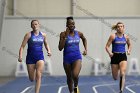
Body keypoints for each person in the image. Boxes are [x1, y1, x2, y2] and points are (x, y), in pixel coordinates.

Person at [18, 20, 51, 93]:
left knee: (38, 75)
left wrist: (49, 50)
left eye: (36, 24)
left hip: (40, 57)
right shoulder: (28, 35)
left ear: (39, 25)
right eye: (33, 25)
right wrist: (20, 56)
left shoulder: (43, 35)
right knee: (32, 78)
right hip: (30, 58)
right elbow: (22, 46)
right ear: (31, 26)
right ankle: (34, 72)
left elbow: (46, 44)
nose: (34, 26)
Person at [58, 16, 87, 93]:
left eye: (73, 24)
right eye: (70, 24)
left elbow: (84, 39)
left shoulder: (79, 33)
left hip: (77, 57)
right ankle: (71, 92)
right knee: (69, 77)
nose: (72, 25)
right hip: (67, 58)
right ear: (67, 25)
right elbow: (60, 48)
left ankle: (75, 87)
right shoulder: (63, 34)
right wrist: (66, 37)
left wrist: (85, 49)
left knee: (75, 75)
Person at [105, 22, 131, 93]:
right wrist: (110, 53)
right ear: (116, 28)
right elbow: (107, 46)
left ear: (123, 27)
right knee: (115, 77)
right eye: (118, 27)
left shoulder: (126, 36)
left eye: (121, 26)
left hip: (123, 56)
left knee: (123, 73)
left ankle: (121, 90)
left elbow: (129, 45)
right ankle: (119, 69)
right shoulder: (113, 36)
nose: (120, 28)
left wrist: (128, 50)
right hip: (114, 56)